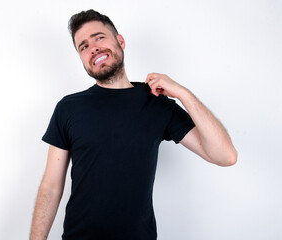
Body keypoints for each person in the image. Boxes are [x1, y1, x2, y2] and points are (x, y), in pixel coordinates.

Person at [29, 9, 237, 240]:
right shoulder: (68, 108)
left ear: (120, 41)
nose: (93, 48)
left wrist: (183, 94)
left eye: (99, 37)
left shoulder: (158, 104)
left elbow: (225, 156)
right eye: (83, 46)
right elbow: (50, 186)